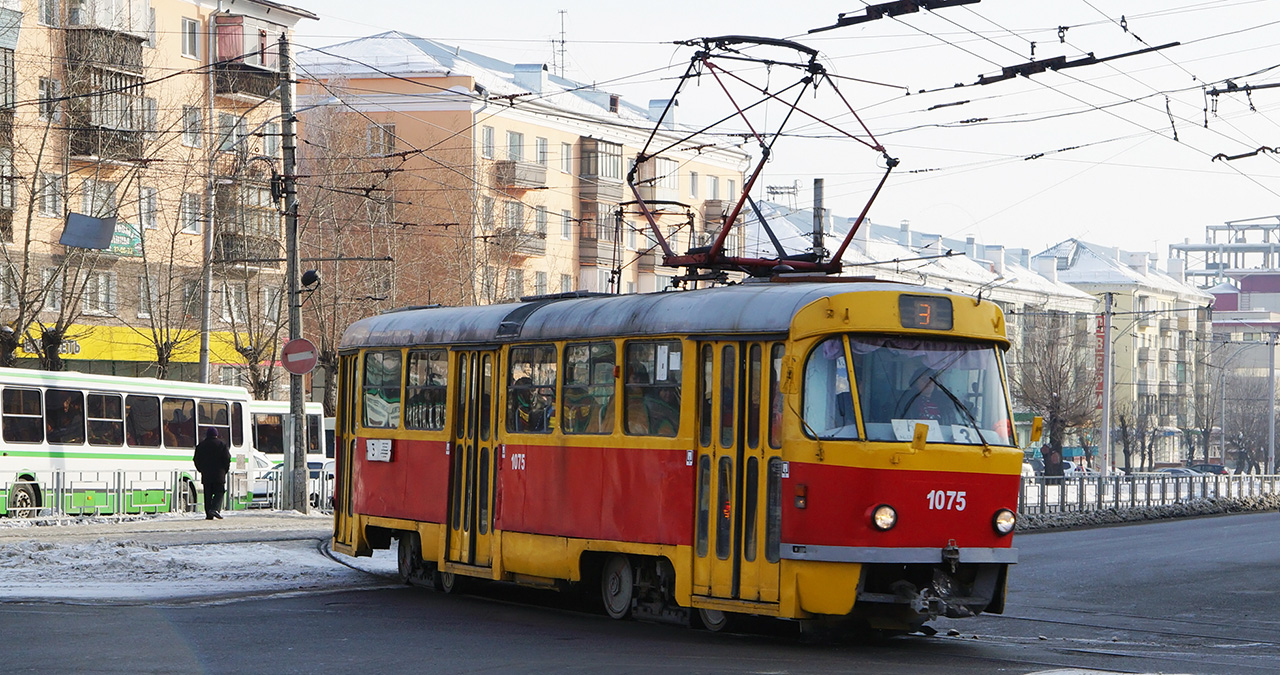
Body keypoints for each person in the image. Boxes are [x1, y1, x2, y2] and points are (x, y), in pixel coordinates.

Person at [193, 427, 231, 520]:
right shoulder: (221, 445)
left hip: (206, 475)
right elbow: (227, 459)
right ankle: (215, 508)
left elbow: (196, 459)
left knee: (207, 494)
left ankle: (208, 514)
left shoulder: (201, 446)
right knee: (220, 492)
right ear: (216, 434)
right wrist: (225, 470)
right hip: (219, 474)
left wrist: (201, 469)